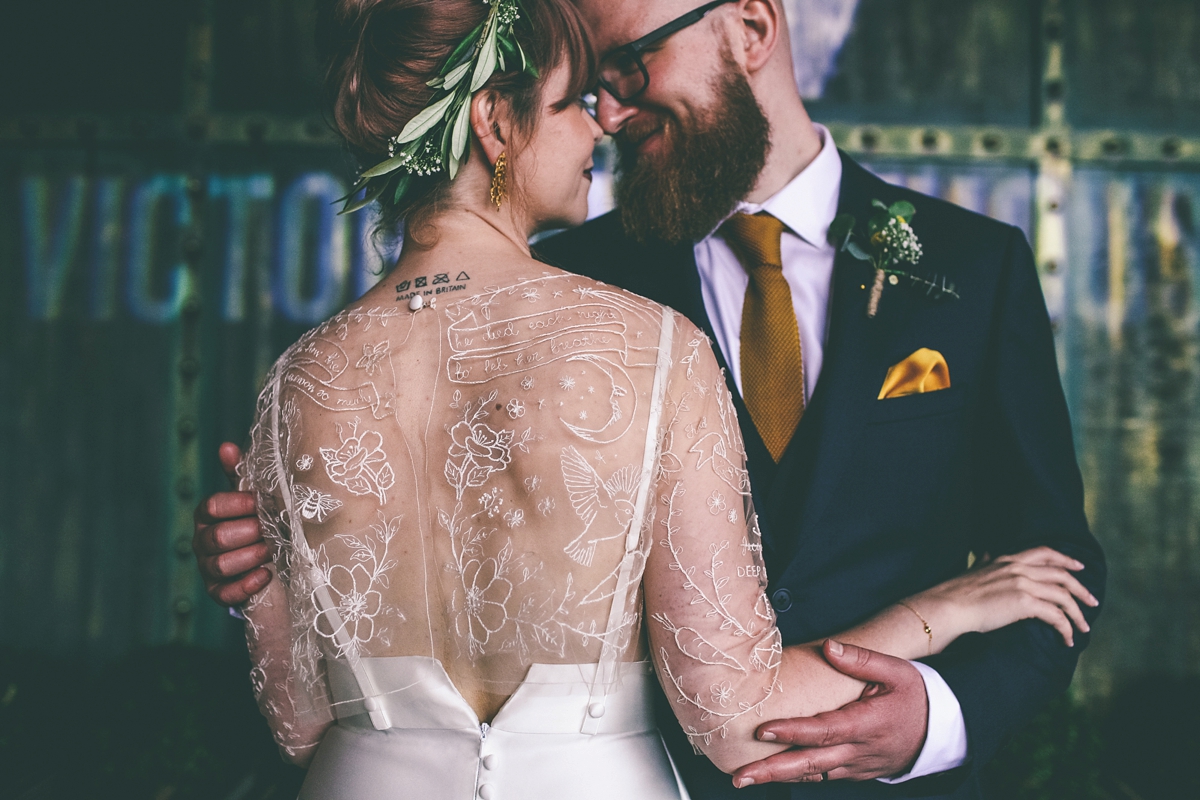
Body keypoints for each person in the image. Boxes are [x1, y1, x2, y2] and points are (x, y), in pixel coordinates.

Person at [195, 1, 1106, 798]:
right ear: (495, 124)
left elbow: (1053, 561)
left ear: (750, 26)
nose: (609, 114)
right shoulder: (589, 289)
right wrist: (273, 564)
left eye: (629, 65)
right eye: (584, 91)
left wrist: (941, 716)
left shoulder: (971, 266)